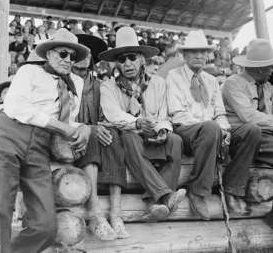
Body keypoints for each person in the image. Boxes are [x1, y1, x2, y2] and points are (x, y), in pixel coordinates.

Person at [0, 28, 92, 253]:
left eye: (73, 56)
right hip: (7, 133)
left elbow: (69, 121)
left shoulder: (76, 82)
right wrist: (62, 127)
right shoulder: (29, 71)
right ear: (48, 54)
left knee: (45, 225)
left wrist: (85, 128)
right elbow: (16, 106)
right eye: (62, 54)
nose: (68, 60)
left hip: (40, 144)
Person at [166, 30, 261, 220]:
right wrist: (213, 127)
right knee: (210, 127)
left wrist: (224, 130)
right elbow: (178, 115)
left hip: (212, 130)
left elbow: (220, 113)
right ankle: (197, 191)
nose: (200, 56)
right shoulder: (173, 76)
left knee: (252, 130)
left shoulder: (211, 80)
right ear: (184, 55)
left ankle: (232, 187)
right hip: (186, 130)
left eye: (203, 51)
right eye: (194, 52)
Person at [99, 27, 186, 223]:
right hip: (128, 137)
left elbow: (163, 113)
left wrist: (162, 128)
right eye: (122, 60)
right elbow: (114, 115)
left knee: (175, 140)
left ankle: (153, 202)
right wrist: (137, 122)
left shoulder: (157, 83)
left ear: (141, 59)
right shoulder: (108, 86)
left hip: (152, 134)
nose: (127, 63)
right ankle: (165, 196)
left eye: (131, 57)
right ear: (117, 64)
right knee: (129, 135)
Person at [72, 34, 129, 240]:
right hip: (72, 138)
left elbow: (108, 115)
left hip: (98, 135)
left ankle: (116, 212)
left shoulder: (101, 85)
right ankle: (95, 213)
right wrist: (91, 128)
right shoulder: (64, 82)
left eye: (89, 53)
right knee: (93, 134)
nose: (86, 56)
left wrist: (102, 125)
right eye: (80, 52)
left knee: (112, 133)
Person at [221, 39, 273, 227]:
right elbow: (248, 116)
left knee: (258, 131)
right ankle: (232, 188)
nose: (272, 71)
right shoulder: (233, 83)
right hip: (239, 137)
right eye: (270, 68)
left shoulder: (267, 87)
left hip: (264, 136)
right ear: (261, 68)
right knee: (253, 129)